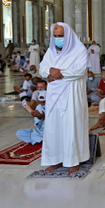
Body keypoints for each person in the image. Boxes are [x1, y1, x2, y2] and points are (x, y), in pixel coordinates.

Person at [39, 23, 90, 175]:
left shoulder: (79, 49)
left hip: (72, 94)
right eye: (56, 36)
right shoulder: (51, 51)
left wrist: (57, 74)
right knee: (53, 128)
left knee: (71, 127)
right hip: (54, 95)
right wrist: (49, 71)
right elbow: (42, 68)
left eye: (61, 36)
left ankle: (74, 160)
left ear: (68, 35)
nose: (58, 39)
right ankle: (55, 159)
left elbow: (80, 71)